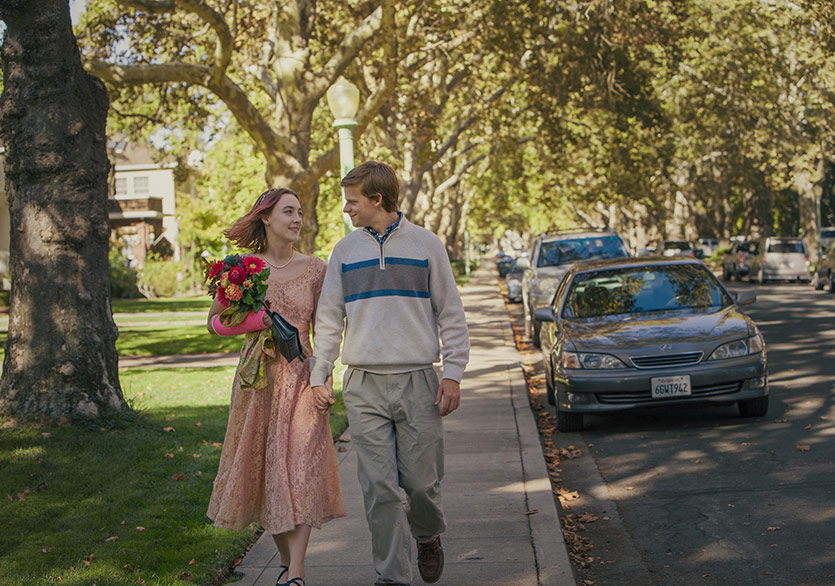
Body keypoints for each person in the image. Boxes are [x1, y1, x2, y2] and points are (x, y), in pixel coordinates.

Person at [309, 161, 470, 585]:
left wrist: (452, 372)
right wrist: (319, 374)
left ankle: (428, 535)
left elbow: (451, 313)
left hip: (419, 380)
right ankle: (392, 575)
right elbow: (328, 319)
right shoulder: (344, 251)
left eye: (352, 200)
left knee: (420, 484)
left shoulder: (427, 245)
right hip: (363, 383)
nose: (346, 208)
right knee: (379, 487)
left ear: (377, 199)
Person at [206, 188, 345, 586]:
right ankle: (288, 566)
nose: (297, 218)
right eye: (288, 211)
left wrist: (325, 379)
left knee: (299, 470)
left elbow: (327, 331)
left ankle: (296, 574)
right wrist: (255, 323)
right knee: (270, 475)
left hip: (302, 376)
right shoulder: (244, 270)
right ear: (265, 218)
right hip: (258, 381)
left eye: (300, 212)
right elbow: (214, 324)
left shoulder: (317, 269)